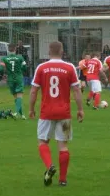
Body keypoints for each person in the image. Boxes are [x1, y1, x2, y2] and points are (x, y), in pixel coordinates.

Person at [29, 41, 84, 187]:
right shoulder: (69, 67)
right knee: (63, 146)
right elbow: (77, 90)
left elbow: (34, 90)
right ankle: (63, 180)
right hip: (64, 113)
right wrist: (80, 109)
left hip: (46, 113)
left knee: (42, 142)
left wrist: (31, 108)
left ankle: (49, 166)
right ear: (62, 51)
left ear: (49, 51)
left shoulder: (42, 67)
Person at [0, 43, 27, 119]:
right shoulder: (20, 57)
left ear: (8, 49)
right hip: (18, 78)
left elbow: (0, 69)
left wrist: (3, 74)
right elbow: (25, 67)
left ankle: (22, 115)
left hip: (10, 79)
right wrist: (20, 70)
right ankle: (17, 113)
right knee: (19, 96)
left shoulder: (4, 58)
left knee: (16, 97)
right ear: (15, 49)